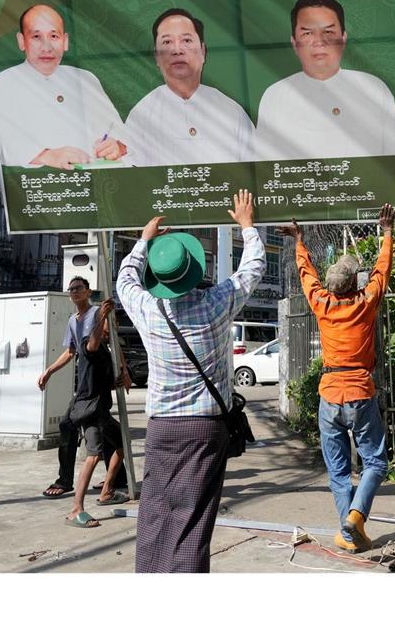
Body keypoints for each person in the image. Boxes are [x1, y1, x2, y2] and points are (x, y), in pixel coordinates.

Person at [116, 190, 265, 572]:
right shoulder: (216, 303)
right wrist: (248, 226)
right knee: (193, 521)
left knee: (155, 515)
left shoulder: (148, 310)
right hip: (204, 429)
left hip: (162, 428)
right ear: (195, 271)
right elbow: (252, 271)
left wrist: (143, 241)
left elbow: (125, 281)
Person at [277, 203, 395, 553]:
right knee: (375, 462)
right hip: (360, 391)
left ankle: (348, 534)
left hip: (329, 395)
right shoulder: (365, 303)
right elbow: (382, 271)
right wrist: (387, 233)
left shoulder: (321, 303)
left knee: (339, 472)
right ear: (354, 283)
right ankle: (355, 518)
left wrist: (300, 241)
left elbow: (306, 276)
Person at [255, 0, 395, 160]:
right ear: (294, 42)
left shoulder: (373, 89)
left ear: (343, 38)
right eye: (308, 33)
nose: (319, 42)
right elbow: (264, 169)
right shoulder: (275, 96)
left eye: (328, 32)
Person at [38, 277, 132, 525]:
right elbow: (83, 347)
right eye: (71, 289)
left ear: (88, 291)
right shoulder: (86, 339)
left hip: (96, 400)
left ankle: (108, 490)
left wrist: (123, 373)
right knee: (91, 452)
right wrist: (49, 371)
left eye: (78, 288)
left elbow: (110, 351)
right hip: (89, 402)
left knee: (121, 443)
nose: (74, 292)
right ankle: (75, 505)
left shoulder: (101, 341)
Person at [0, 4, 128, 169]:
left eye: (54, 36)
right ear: (22, 41)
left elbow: (120, 133)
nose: (46, 47)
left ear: (65, 41)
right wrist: (46, 155)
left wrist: (117, 146)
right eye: (36, 37)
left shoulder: (85, 79)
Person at [125, 9, 254, 167]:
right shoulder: (141, 115)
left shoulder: (232, 112)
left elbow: (256, 173)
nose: (177, 50)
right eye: (167, 42)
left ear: (203, 52)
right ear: (157, 57)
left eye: (186, 40)